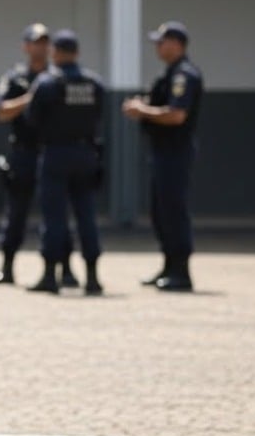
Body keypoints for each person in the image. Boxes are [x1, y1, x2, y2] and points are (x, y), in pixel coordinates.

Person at [0, 23, 79, 287]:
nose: (41, 47)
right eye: (35, 42)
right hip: (24, 153)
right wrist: (32, 98)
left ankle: (66, 268)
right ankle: (6, 267)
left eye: (45, 42)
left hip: (52, 152)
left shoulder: (59, 77)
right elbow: (1, 111)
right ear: (26, 46)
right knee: (16, 213)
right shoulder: (15, 77)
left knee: (59, 214)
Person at [122, 21, 202, 292]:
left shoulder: (184, 75)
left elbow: (177, 115)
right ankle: (169, 265)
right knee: (160, 211)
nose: (157, 46)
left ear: (177, 44)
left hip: (175, 152)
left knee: (173, 210)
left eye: (162, 41)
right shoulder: (170, 74)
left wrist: (142, 110)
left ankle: (181, 272)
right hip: (162, 151)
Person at [24, 29, 104, 295]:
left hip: (56, 154)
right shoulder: (94, 83)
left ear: (55, 53)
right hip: (85, 153)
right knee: (87, 216)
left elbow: (32, 119)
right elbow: (98, 115)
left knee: (54, 217)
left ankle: (50, 276)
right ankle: (92, 277)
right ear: (77, 53)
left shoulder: (47, 83)